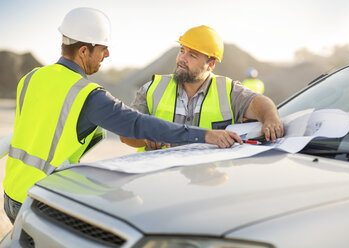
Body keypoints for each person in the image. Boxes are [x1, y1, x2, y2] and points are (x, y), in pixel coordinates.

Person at [3, 8, 242, 224]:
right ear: (84, 50)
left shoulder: (32, 77)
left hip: (11, 191)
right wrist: (207, 135)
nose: (107, 54)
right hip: (39, 199)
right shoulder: (87, 96)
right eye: (102, 48)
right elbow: (138, 124)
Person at [120, 25, 283, 151]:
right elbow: (125, 132)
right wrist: (146, 138)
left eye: (192, 55)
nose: (182, 59)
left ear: (210, 64)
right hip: (157, 180)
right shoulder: (152, 89)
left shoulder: (228, 90)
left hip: (208, 183)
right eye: (182, 51)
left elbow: (259, 102)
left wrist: (271, 119)